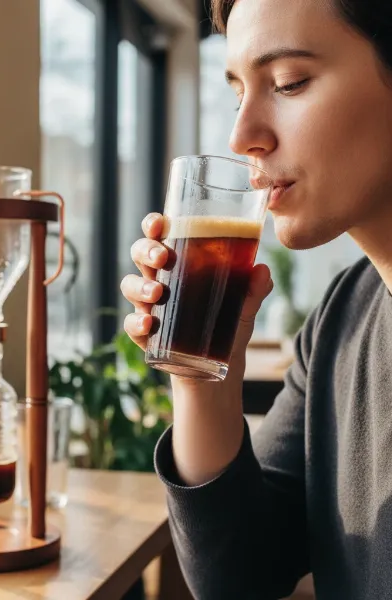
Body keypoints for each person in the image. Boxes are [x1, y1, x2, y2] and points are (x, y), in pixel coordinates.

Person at [120, 0, 392, 598]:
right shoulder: (342, 321)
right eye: (239, 92)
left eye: (290, 83)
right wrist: (203, 382)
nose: (242, 136)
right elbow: (240, 577)